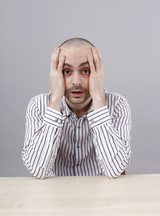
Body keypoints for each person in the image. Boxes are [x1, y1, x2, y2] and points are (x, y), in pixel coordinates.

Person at [22, 37, 132, 179]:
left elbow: (115, 169)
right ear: (56, 74)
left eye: (85, 71)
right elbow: (37, 170)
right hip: (54, 196)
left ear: (97, 72)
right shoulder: (38, 105)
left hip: (102, 197)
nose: (76, 81)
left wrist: (98, 98)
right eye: (67, 71)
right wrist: (55, 99)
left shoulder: (117, 105)